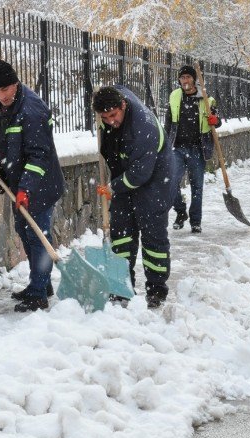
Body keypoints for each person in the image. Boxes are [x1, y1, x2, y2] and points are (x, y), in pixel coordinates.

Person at [0, 59, 65, 312]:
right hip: (19, 182)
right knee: (24, 230)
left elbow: (39, 155)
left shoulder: (32, 110)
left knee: (37, 235)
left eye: (5, 89)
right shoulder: (0, 105)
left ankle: (39, 294)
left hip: (40, 181)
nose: (1, 96)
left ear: (15, 83)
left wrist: (26, 188)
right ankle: (41, 283)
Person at [93, 86, 175, 308]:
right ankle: (122, 287)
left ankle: (156, 289)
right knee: (121, 232)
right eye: (104, 117)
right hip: (125, 171)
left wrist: (114, 187)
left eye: (113, 115)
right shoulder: (113, 105)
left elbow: (140, 173)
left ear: (124, 105)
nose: (110, 121)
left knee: (152, 235)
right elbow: (113, 91)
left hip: (155, 179)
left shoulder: (143, 128)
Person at [165, 65, 222, 233]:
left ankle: (196, 221)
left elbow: (218, 121)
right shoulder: (175, 97)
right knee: (171, 182)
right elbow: (168, 122)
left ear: (194, 80)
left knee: (197, 187)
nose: (185, 81)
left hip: (198, 148)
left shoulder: (206, 99)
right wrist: (165, 145)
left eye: (188, 77)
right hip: (178, 148)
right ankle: (181, 211)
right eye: (182, 78)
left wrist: (214, 120)